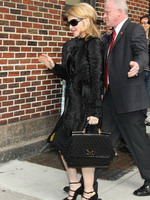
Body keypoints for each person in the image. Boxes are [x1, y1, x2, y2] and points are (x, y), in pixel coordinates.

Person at [39, 3, 103, 200]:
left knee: (84, 149)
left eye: (74, 22)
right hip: (72, 105)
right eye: (68, 23)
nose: (70, 26)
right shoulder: (72, 45)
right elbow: (69, 76)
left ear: (87, 20)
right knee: (61, 142)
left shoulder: (94, 44)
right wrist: (53, 67)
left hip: (87, 106)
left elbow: (96, 80)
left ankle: (89, 192)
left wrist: (95, 112)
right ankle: (74, 185)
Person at [102, 0, 150, 197]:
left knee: (137, 143)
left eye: (106, 12)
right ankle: (88, 181)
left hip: (130, 99)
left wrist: (138, 64)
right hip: (111, 98)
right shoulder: (108, 37)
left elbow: (143, 52)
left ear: (118, 12)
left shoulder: (134, 29)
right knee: (103, 140)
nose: (103, 15)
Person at [140, 15, 150, 125]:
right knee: (140, 95)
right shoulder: (138, 38)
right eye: (142, 23)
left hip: (149, 72)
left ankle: (143, 117)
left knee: (146, 95)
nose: (144, 25)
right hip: (141, 71)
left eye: (146, 23)